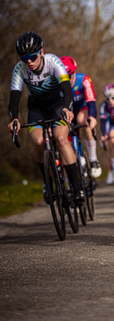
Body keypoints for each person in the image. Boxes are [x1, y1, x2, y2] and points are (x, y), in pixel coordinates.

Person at [8, 31, 84, 204]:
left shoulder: (53, 62)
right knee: (37, 142)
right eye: (24, 58)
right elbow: (14, 97)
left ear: (41, 52)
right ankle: (48, 182)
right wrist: (14, 119)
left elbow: (66, 89)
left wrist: (67, 108)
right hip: (37, 107)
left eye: (33, 57)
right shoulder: (20, 69)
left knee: (61, 139)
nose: (29, 62)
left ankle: (77, 188)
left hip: (58, 104)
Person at [60, 56, 101, 178]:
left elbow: (91, 101)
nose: (67, 80)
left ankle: (93, 159)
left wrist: (92, 117)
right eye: (64, 78)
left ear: (75, 73)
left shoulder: (84, 80)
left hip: (82, 107)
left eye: (70, 76)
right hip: (67, 111)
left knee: (83, 121)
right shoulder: (56, 86)